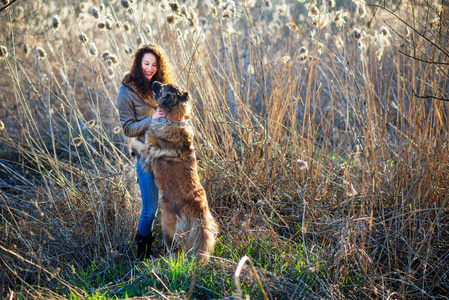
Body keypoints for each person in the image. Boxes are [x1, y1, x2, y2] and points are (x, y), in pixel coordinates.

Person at [117, 44, 174, 259]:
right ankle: (142, 258)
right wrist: (152, 119)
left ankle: (174, 252)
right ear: (138, 63)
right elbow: (128, 128)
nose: (150, 69)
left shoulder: (162, 86)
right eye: (146, 64)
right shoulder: (127, 90)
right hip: (146, 156)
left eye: (154, 65)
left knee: (172, 207)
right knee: (150, 210)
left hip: (169, 153)